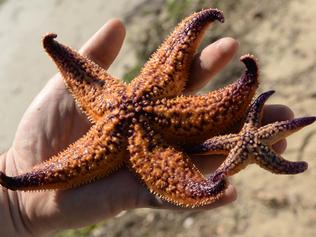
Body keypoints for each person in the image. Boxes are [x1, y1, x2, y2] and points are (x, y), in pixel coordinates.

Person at [0, 19, 293, 237]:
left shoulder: (126, 101)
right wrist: (14, 200)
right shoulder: (125, 112)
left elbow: (175, 60)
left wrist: (15, 205)